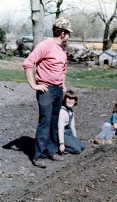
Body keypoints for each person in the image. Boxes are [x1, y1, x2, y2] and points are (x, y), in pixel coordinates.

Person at [23, 18, 73, 168]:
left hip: (57, 90)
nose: (69, 36)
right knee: (45, 121)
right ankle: (37, 155)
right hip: (46, 90)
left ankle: (50, 151)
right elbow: (28, 63)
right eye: (69, 33)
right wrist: (34, 85)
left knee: (54, 121)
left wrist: (62, 84)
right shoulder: (45, 45)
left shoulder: (62, 49)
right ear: (62, 33)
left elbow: (63, 68)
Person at [58, 90, 85, 154]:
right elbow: (60, 128)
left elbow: (72, 126)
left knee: (82, 146)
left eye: (73, 99)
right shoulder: (62, 112)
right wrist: (61, 143)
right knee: (77, 150)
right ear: (65, 100)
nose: (70, 101)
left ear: (75, 101)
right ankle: (59, 148)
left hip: (69, 133)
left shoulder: (71, 111)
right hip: (63, 134)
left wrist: (75, 139)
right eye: (69, 99)